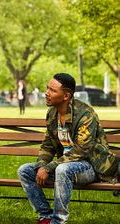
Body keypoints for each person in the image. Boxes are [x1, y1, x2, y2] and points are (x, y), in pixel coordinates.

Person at [17, 73, 119, 224]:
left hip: (90, 166)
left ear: (66, 96)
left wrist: (50, 167)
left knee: (62, 170)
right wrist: (41, 165)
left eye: (52, 90)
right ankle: (45, 217)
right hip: (64, 165)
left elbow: (82, 150)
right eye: (47, 88)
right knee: (25, 171)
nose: (46, 93)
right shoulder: (52, 113)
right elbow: (48, 145)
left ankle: (58, 221)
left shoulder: (84, 114)